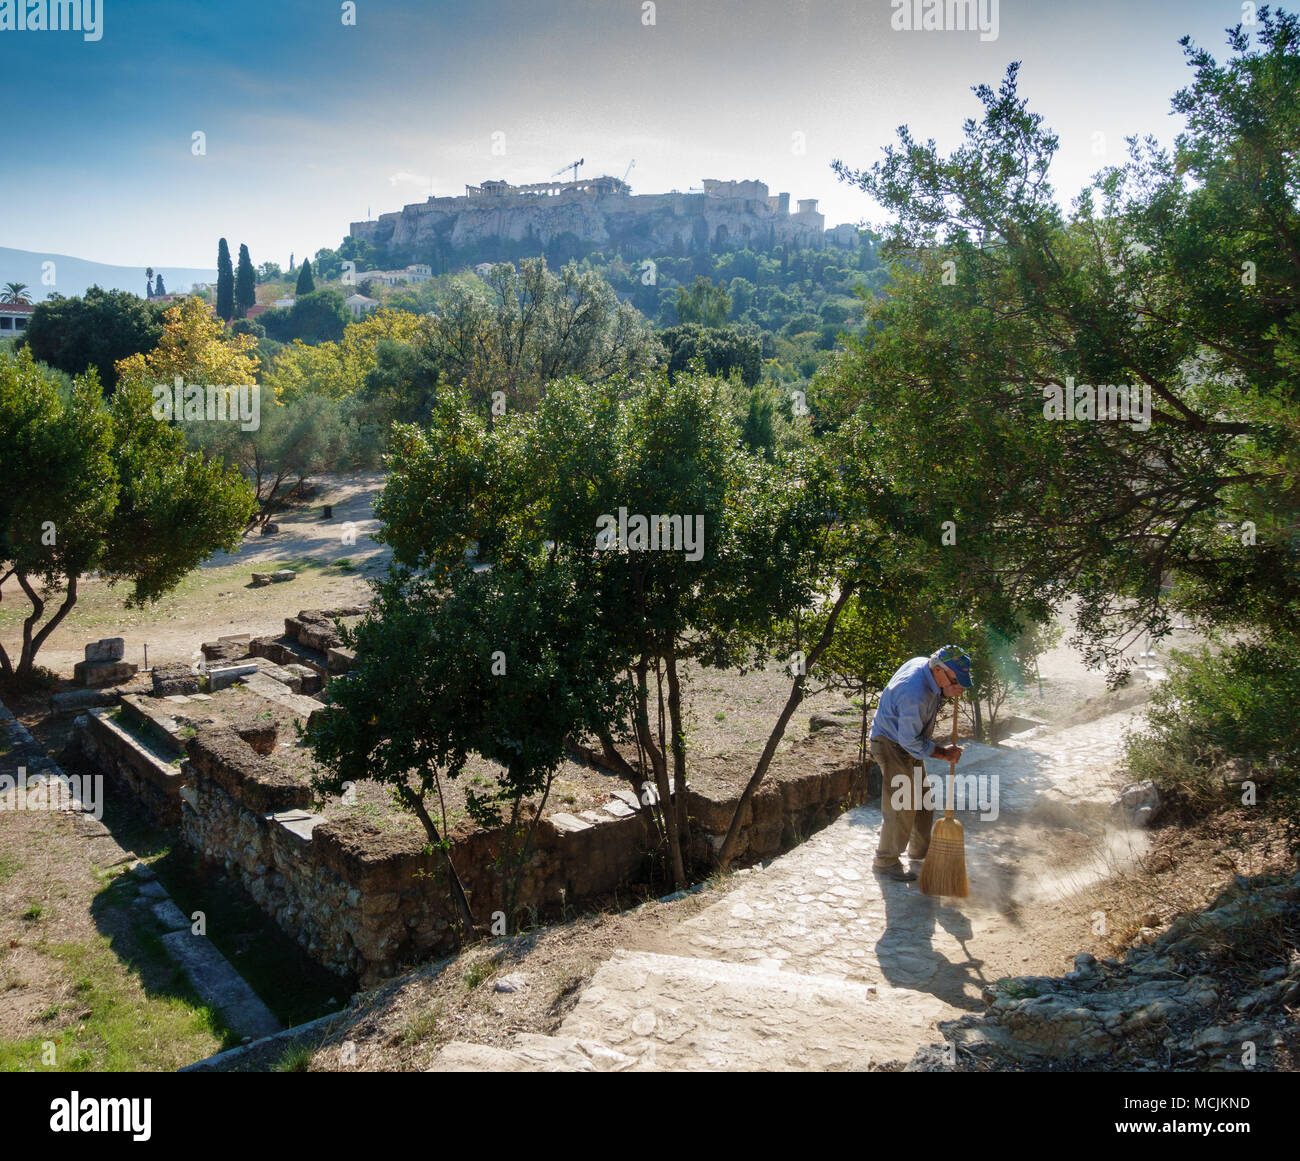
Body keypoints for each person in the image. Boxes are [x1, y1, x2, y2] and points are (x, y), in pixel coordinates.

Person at [869, 645, 973, 882]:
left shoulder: (925, 665)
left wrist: (946, 691)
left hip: (908, 741)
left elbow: (913, 735)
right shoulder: (914, 692)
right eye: (954, 679)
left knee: (924, 802)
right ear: (939, 670)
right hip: (891, 744)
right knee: (902, 805)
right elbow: (908, 740)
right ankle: (885, 862)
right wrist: (943, 754)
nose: (957, 684)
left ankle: (919, 854)